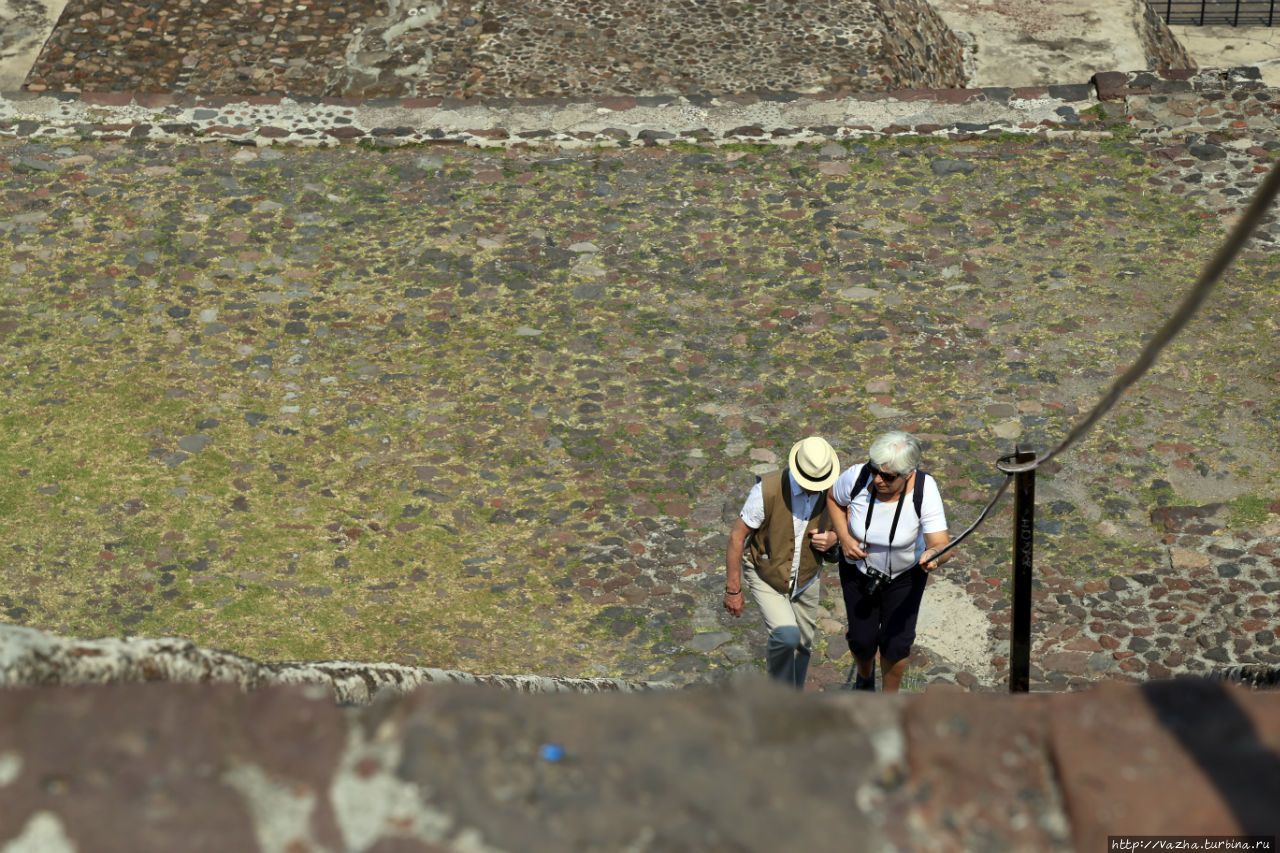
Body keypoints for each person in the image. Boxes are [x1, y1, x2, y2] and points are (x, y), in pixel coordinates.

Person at [827, 430, 951, 693]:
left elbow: (941, 544)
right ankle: (865, 679)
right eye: (875, 470)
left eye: (888, 476)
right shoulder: (856, 476)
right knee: (862, 639)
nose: (878, 479)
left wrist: (934, 557)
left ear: (908, 473)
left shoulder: (924, 489)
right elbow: (833, 499)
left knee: (896, 643)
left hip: (905, 576)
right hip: (858, 571)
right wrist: (845, 538)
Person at [724, 436, 841, 689]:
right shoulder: (766, 490)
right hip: (766, 572)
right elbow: (737, 537)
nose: (816, 487)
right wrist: (733, 589)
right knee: (787, 636)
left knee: (803, 645)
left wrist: (834, 536)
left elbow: (851, 518)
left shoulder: (834, 489)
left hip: (806, 577)